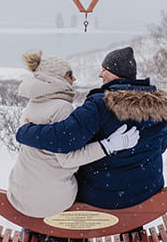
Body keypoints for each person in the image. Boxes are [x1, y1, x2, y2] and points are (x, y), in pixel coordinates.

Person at [16, 46, 167, 209]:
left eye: (104, 69)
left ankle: (53, 232)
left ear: (115, 72)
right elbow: (162, 147)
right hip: (147, 193)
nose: (100, 74)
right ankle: (132, 228)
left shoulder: (100, 104)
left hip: (102, 195)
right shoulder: (160, 106)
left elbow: (63, 140)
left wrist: (25, 132)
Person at [7, 50, 139, 218]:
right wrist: (108, 146)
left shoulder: (32, 104)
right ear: (57, 78)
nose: (74, 79)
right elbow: (68, 159)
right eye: (70, 75)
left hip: (19, 196)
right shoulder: (62, 108)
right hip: (53, 201)